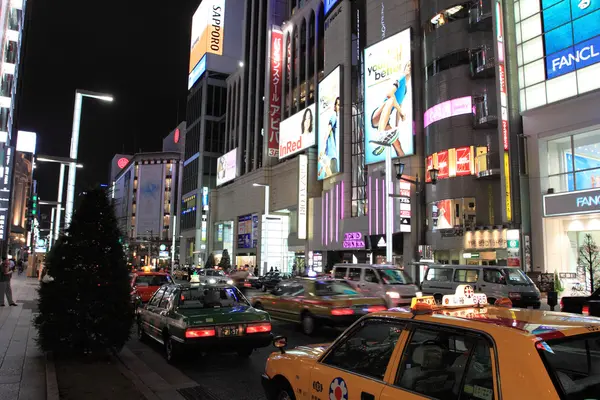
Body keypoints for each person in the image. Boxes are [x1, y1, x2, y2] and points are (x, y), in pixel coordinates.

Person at [369, 62, 412, 157]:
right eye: (408, 65)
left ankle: (403, 168)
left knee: (398, 145)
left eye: (412, 66)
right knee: (391, 99)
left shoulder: (405, 90)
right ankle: (380, 136)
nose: (410, 67)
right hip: (378, 115)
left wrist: (397, 128)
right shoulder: (401, 79)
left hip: (385, 120)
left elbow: (398, 108)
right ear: (404, 68)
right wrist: (401, 111)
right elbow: (389, 94)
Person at [318, 97, 340, 179]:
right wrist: (323, 148)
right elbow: (327, 132)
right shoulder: (334, 116)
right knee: (335, 180)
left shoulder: (336, 118)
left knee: (330, 180)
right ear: (335, 107)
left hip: (329, 156)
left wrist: (320, 170)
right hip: (332, 155)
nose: (339, 107)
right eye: (338, 105)